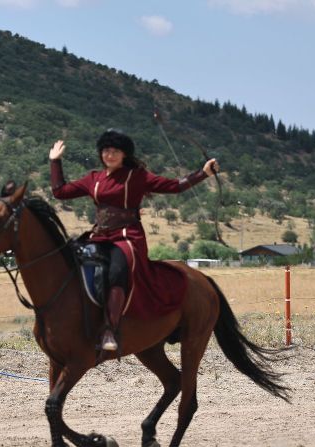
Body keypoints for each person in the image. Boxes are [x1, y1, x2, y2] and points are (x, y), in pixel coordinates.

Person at [49, 129, 218, 352]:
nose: (110, 155)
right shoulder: (93, 179)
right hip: (100, 236)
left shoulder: (137, 177)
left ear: (124, 154)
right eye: (106, 150)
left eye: (115, 151)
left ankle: (110, 329)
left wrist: (203, 173)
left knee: (117, 270)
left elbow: (174, 186)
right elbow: (60, 191)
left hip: (128, 237)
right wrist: (55, 161)